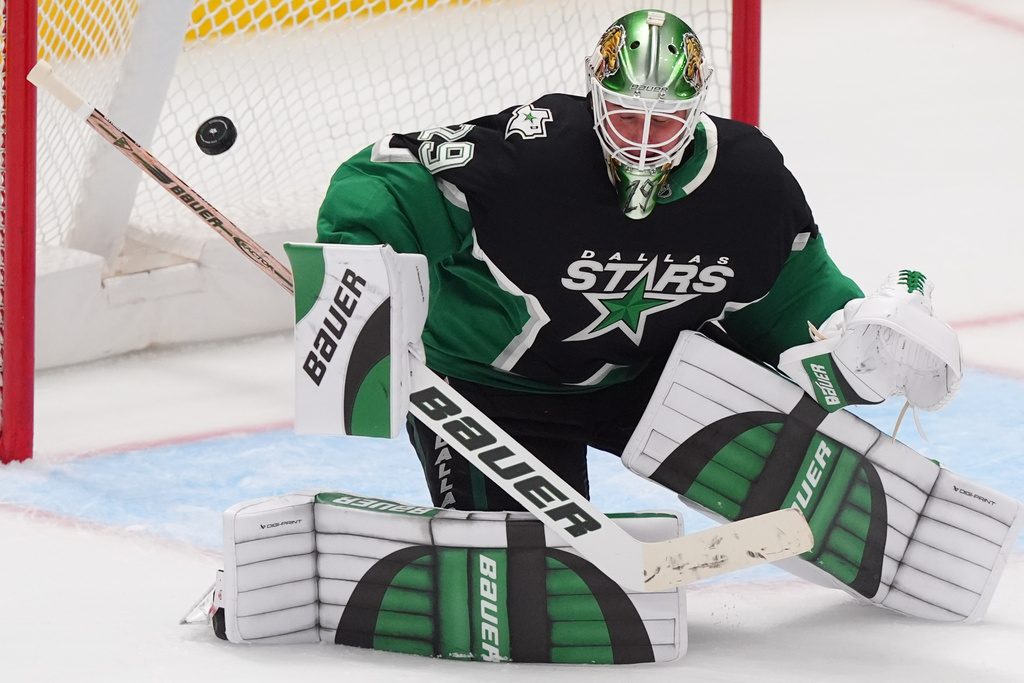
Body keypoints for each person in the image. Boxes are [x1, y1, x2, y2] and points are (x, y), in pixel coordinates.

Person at [315, 9, 953, 513]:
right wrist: (361, 274)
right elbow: (382, 176)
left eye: (665, 120)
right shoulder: (531, 156)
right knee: (538, 575)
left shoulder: (750, 182)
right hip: (488, 388)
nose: (644, 140)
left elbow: (790, 296)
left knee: (786, 438)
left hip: (651, 383)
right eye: (625, 116)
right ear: (595, 92)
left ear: (697, 105)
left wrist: (846, 343)